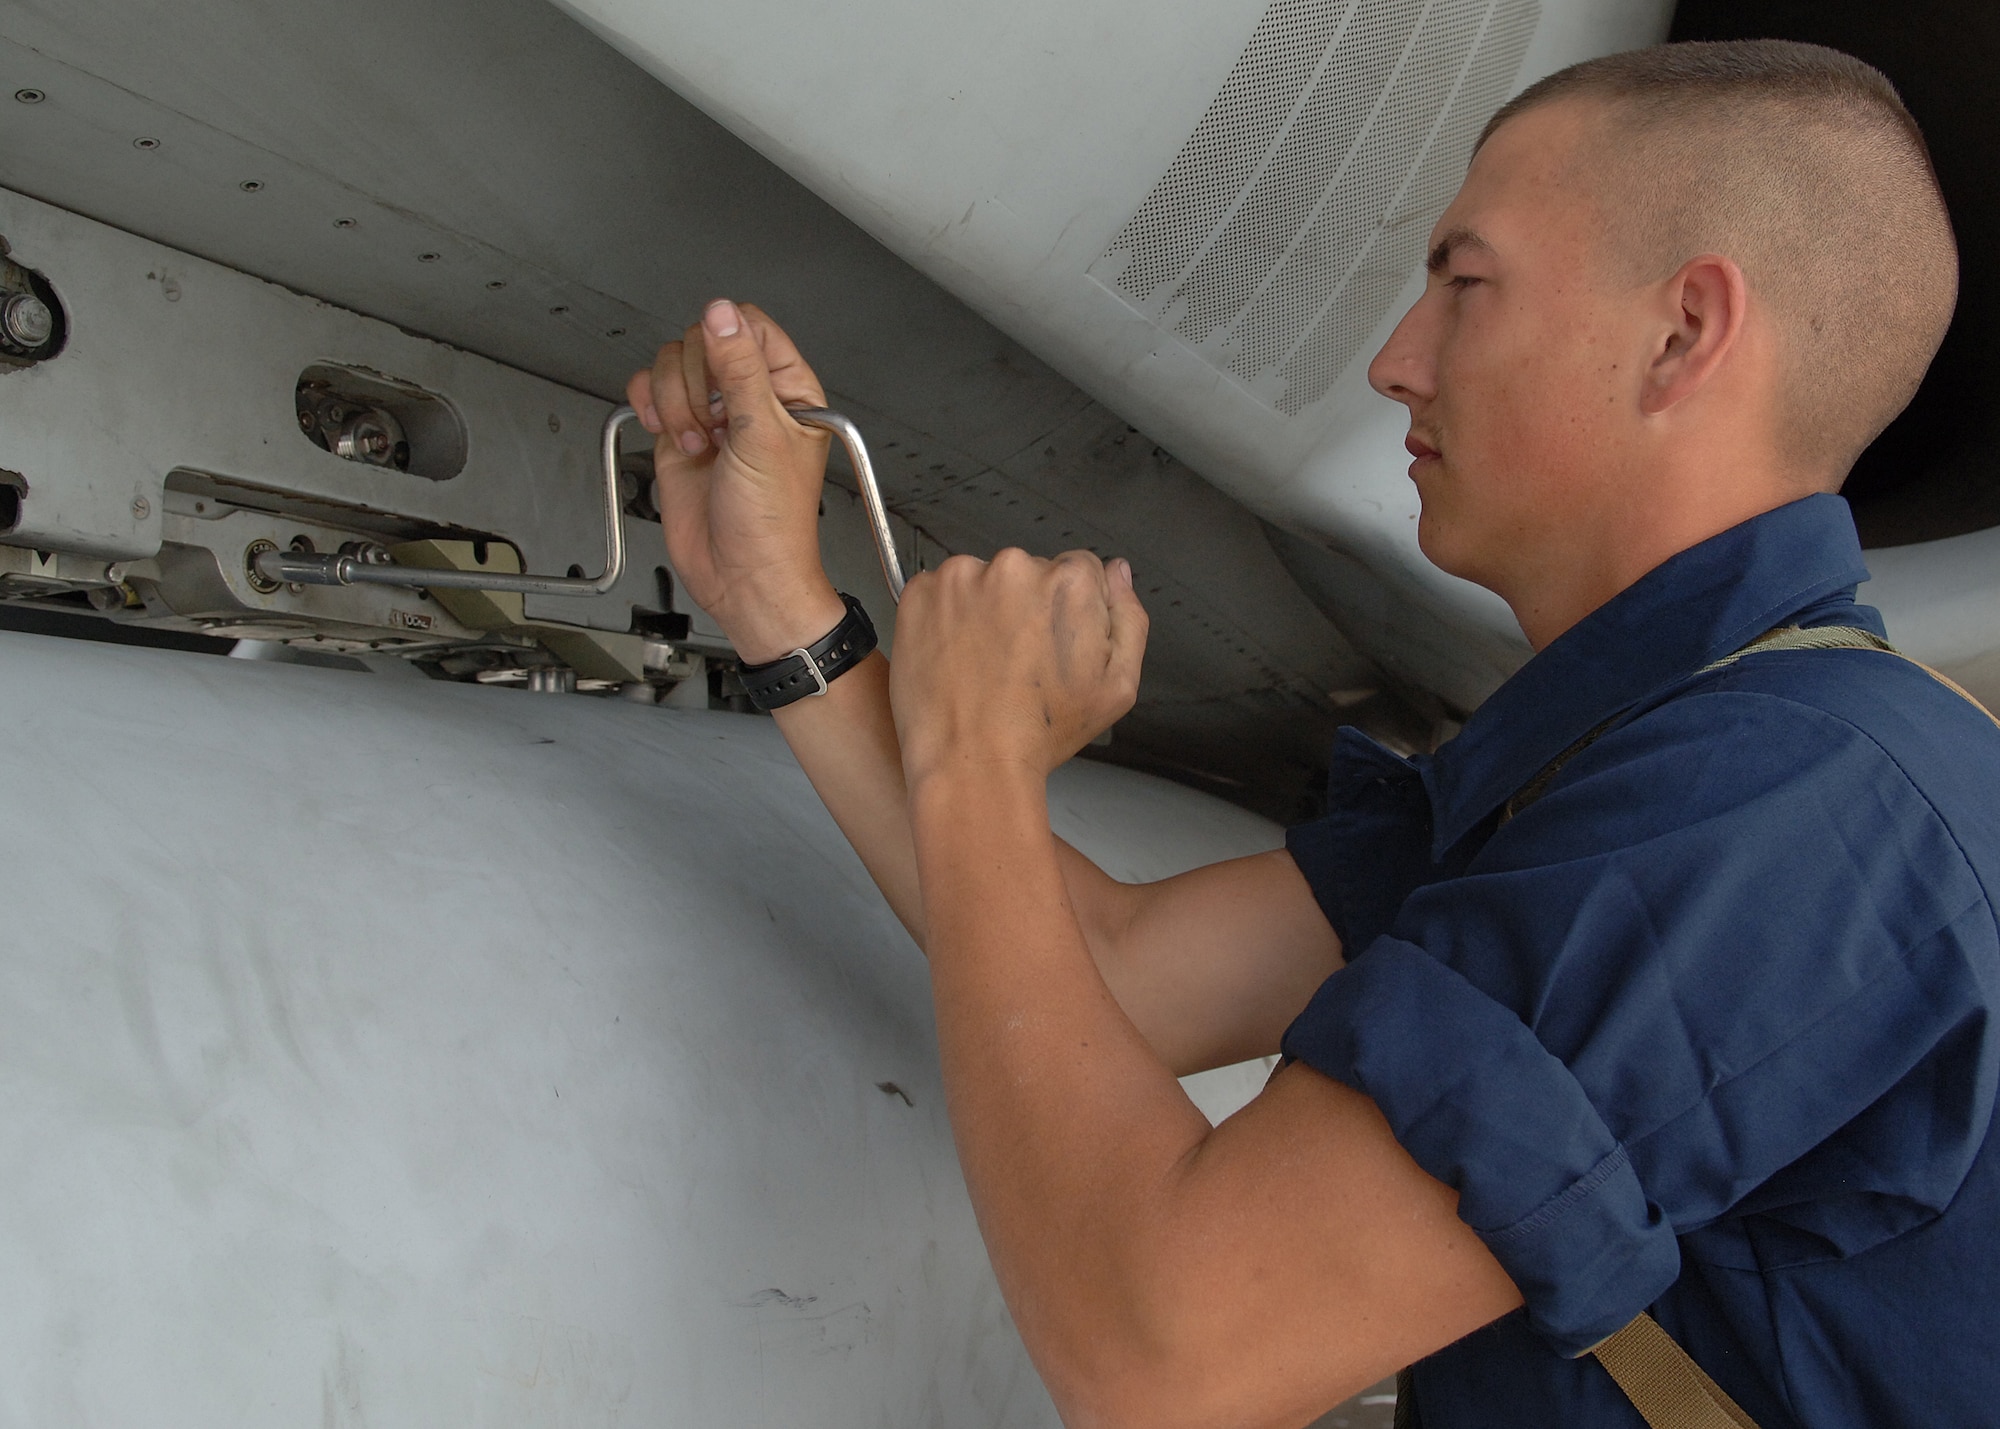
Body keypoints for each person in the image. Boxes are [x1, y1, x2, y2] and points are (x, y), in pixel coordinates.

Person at [627, 39, 1993, 1429]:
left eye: (1466, 285)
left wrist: (979, 756)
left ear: (1685, 332)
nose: (1399, 363)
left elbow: (1168, 1354)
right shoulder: (1658, 751)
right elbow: (1116, 971)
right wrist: (779, 603)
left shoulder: (1782, 806)